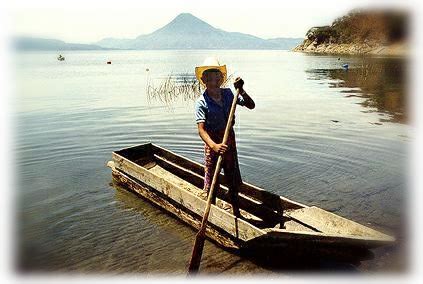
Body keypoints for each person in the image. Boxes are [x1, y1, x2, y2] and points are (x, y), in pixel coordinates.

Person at [194, 57, 255, 217]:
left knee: (233, 181)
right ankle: (211, 215)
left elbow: (251, 105)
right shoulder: (202, 102)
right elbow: (201, 130)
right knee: (212, 184)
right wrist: (214, 146)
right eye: (210, 78)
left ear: (221, 79)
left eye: (217, 77)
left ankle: (236, 213)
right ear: (204, 80)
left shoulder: (229, 94)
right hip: (213, 145)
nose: (214, 81)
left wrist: (241, 90)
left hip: (229, 142)